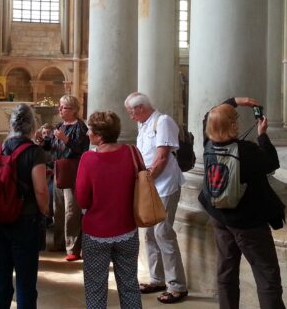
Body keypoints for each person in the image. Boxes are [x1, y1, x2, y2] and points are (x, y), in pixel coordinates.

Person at [199, 97, 286, 309]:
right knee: (267, 274)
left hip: (220, 217)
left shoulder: (208, 144)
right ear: (233, 125)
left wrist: (236, 101)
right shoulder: (247, 150)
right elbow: (272, 163)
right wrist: (262, 136)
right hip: (249, 223)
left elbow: (207, 117)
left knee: (226, 271)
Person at [124, 92, 188, 304]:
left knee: (163, 233)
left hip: (165, 186)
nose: (131, 116)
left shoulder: (163, 122)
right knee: (149, 234)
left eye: (131, 112)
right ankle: (157, 279)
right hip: (151, 187)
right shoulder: (143, 124)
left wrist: (144, 180)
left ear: (141, 108)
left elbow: (161, 157)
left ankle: (177, 286)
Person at [75, 111, 142, 309]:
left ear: (100, 135)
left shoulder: (88, 159)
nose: (87, 133)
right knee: (130, 285)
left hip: (96, 233)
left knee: (95, 289)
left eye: (90, 130)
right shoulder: (132, 152)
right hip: (127, 229)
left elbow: (82, 200)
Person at [0, 103, 49, 309]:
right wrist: (45, 212)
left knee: (0, 279)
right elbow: (41, 189)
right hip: (25, 219)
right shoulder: (34, 152)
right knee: (26, 282)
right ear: (33, 126)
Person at [48, 94, 89, 261]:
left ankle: (72, 247)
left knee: (71, 210)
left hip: (73, 170)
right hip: (59, 169)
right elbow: (53, 147)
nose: (60, 110)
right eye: (60, 106)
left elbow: (82, 149)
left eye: (63, 107)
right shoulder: (59, 125)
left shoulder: (80, 127)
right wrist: (44, 142)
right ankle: (59, 242)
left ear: (74, 110)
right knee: (58, 208)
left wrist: (66, 140)